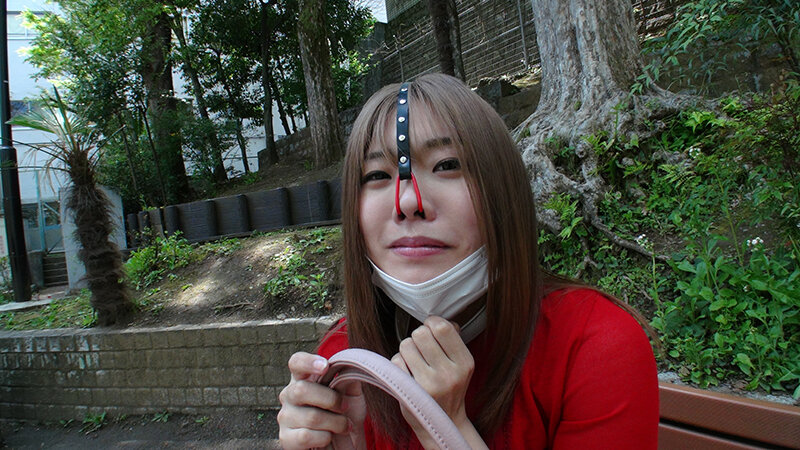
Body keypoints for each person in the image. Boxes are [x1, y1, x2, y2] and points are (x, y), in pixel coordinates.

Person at [277, 73, 659, 449]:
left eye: (447, 165)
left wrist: (444, 426)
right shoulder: (344, 364)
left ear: (502, 189)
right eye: (376, 174)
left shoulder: (595, 345)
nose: (408, 202)